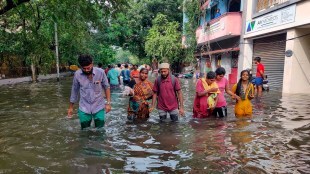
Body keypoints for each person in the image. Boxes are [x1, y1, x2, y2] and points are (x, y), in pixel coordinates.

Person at [67, 54, 111, 129]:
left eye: (88, 68)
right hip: (84, 107)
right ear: (81, 66)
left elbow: (107, 87)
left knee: (100, 129)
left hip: (99, 106)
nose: (87, 70)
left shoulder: (100, 72)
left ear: (92, 64)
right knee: (84, 130)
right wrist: (71, 107)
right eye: (84, 68)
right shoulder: (77, 74)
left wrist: (108, 103)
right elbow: (74, 91)